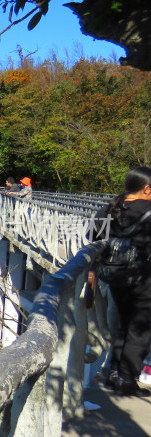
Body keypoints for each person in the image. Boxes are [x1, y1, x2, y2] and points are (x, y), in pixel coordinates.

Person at [95, 167, 151, 396]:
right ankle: (126, 381)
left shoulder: (111, 207)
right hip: (144, 278)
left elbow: (93, 235)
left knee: (124, 327)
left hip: (115, 276)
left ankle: (113, 375)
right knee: (139, 330)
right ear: (146, 188)